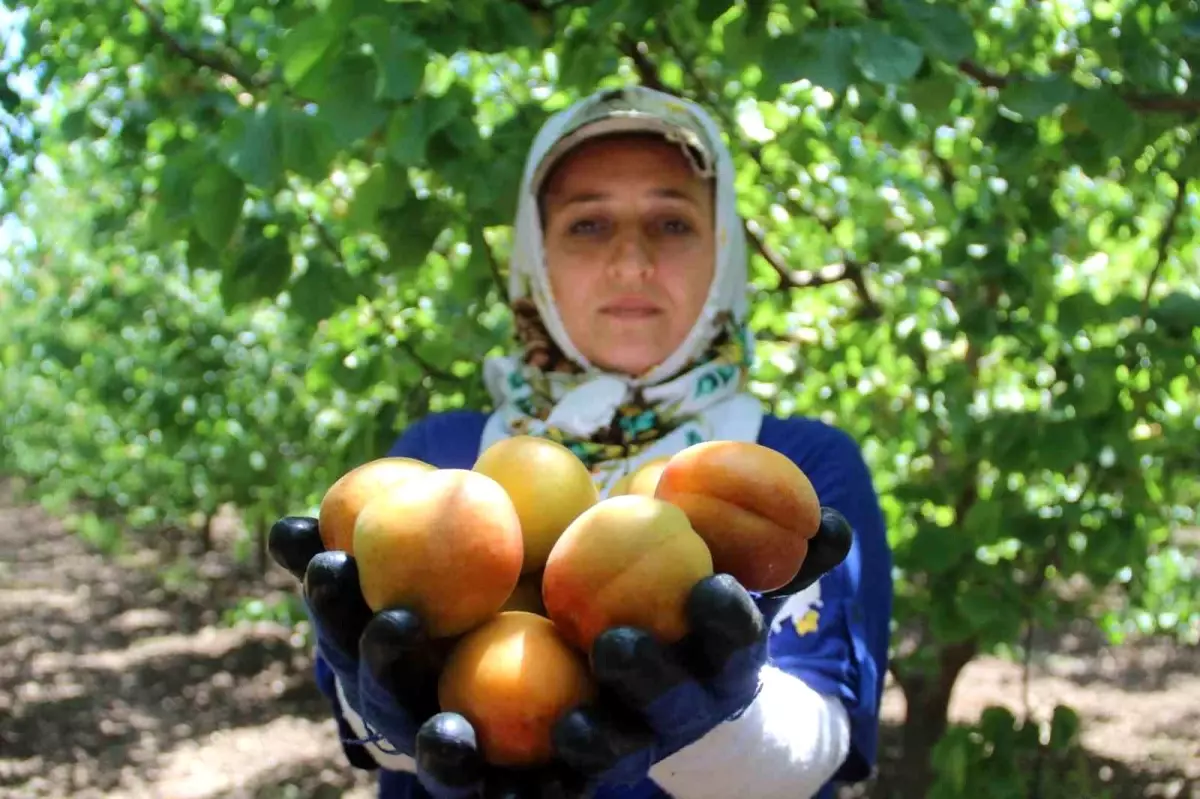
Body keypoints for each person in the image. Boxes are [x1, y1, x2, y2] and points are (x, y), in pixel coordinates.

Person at [269, 85, 893, 799]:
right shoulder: (439, 455)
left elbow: (824, 732)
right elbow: (381, 726)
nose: (631, 262)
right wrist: (384, 713)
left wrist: (717, 729)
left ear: (723, 246)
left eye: (672, 222)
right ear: (536, 256)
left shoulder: (803, 465)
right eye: (588, 225)